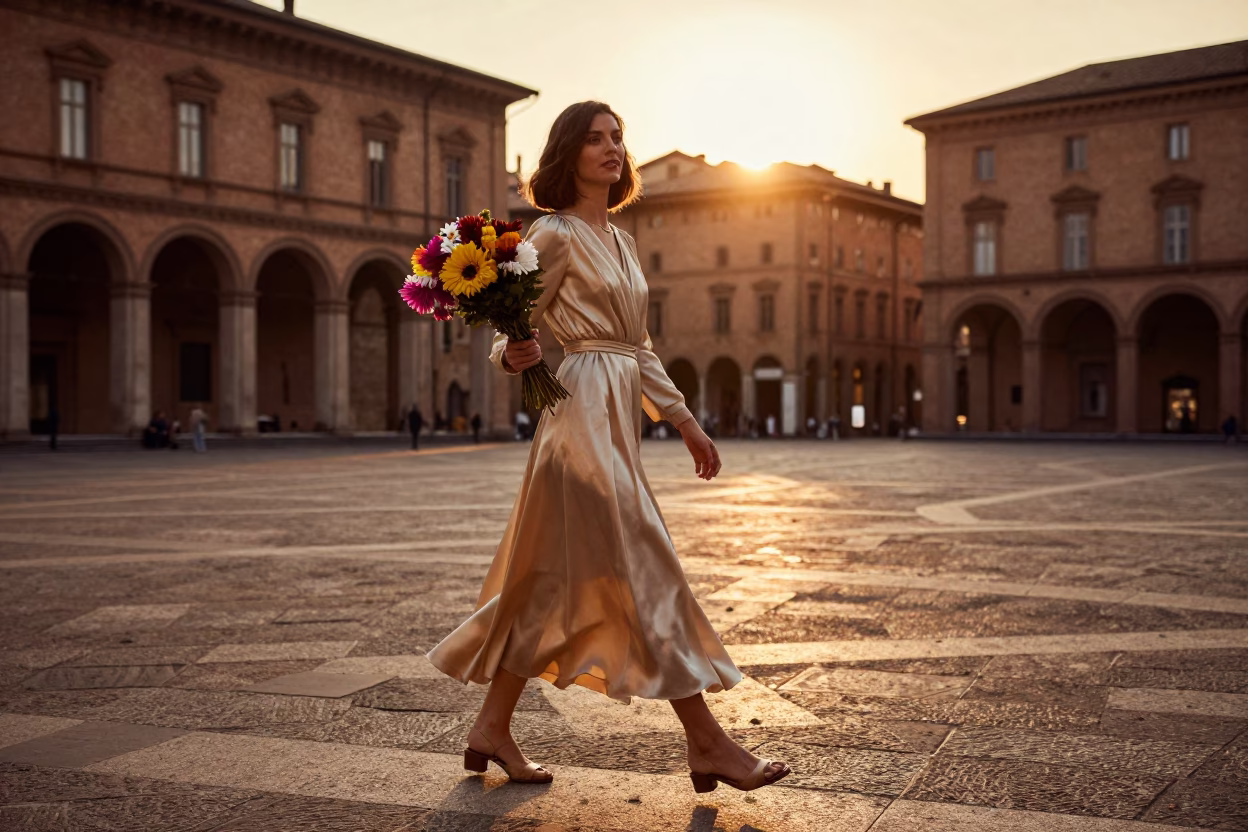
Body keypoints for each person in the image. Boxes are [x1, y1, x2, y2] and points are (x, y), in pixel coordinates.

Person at [427, 101, 789, 794]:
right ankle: (708, 742)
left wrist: (684, 419)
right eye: (594, 139)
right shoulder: (552, 234)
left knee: (547, 584)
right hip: (581, 416)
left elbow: (639, 347)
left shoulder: (622, 241)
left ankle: (491, 727)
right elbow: (511, 335)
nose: (611, 148)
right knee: (645, 560)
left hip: (620, 407)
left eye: (617, 137)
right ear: (567, 154)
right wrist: (517, 355)